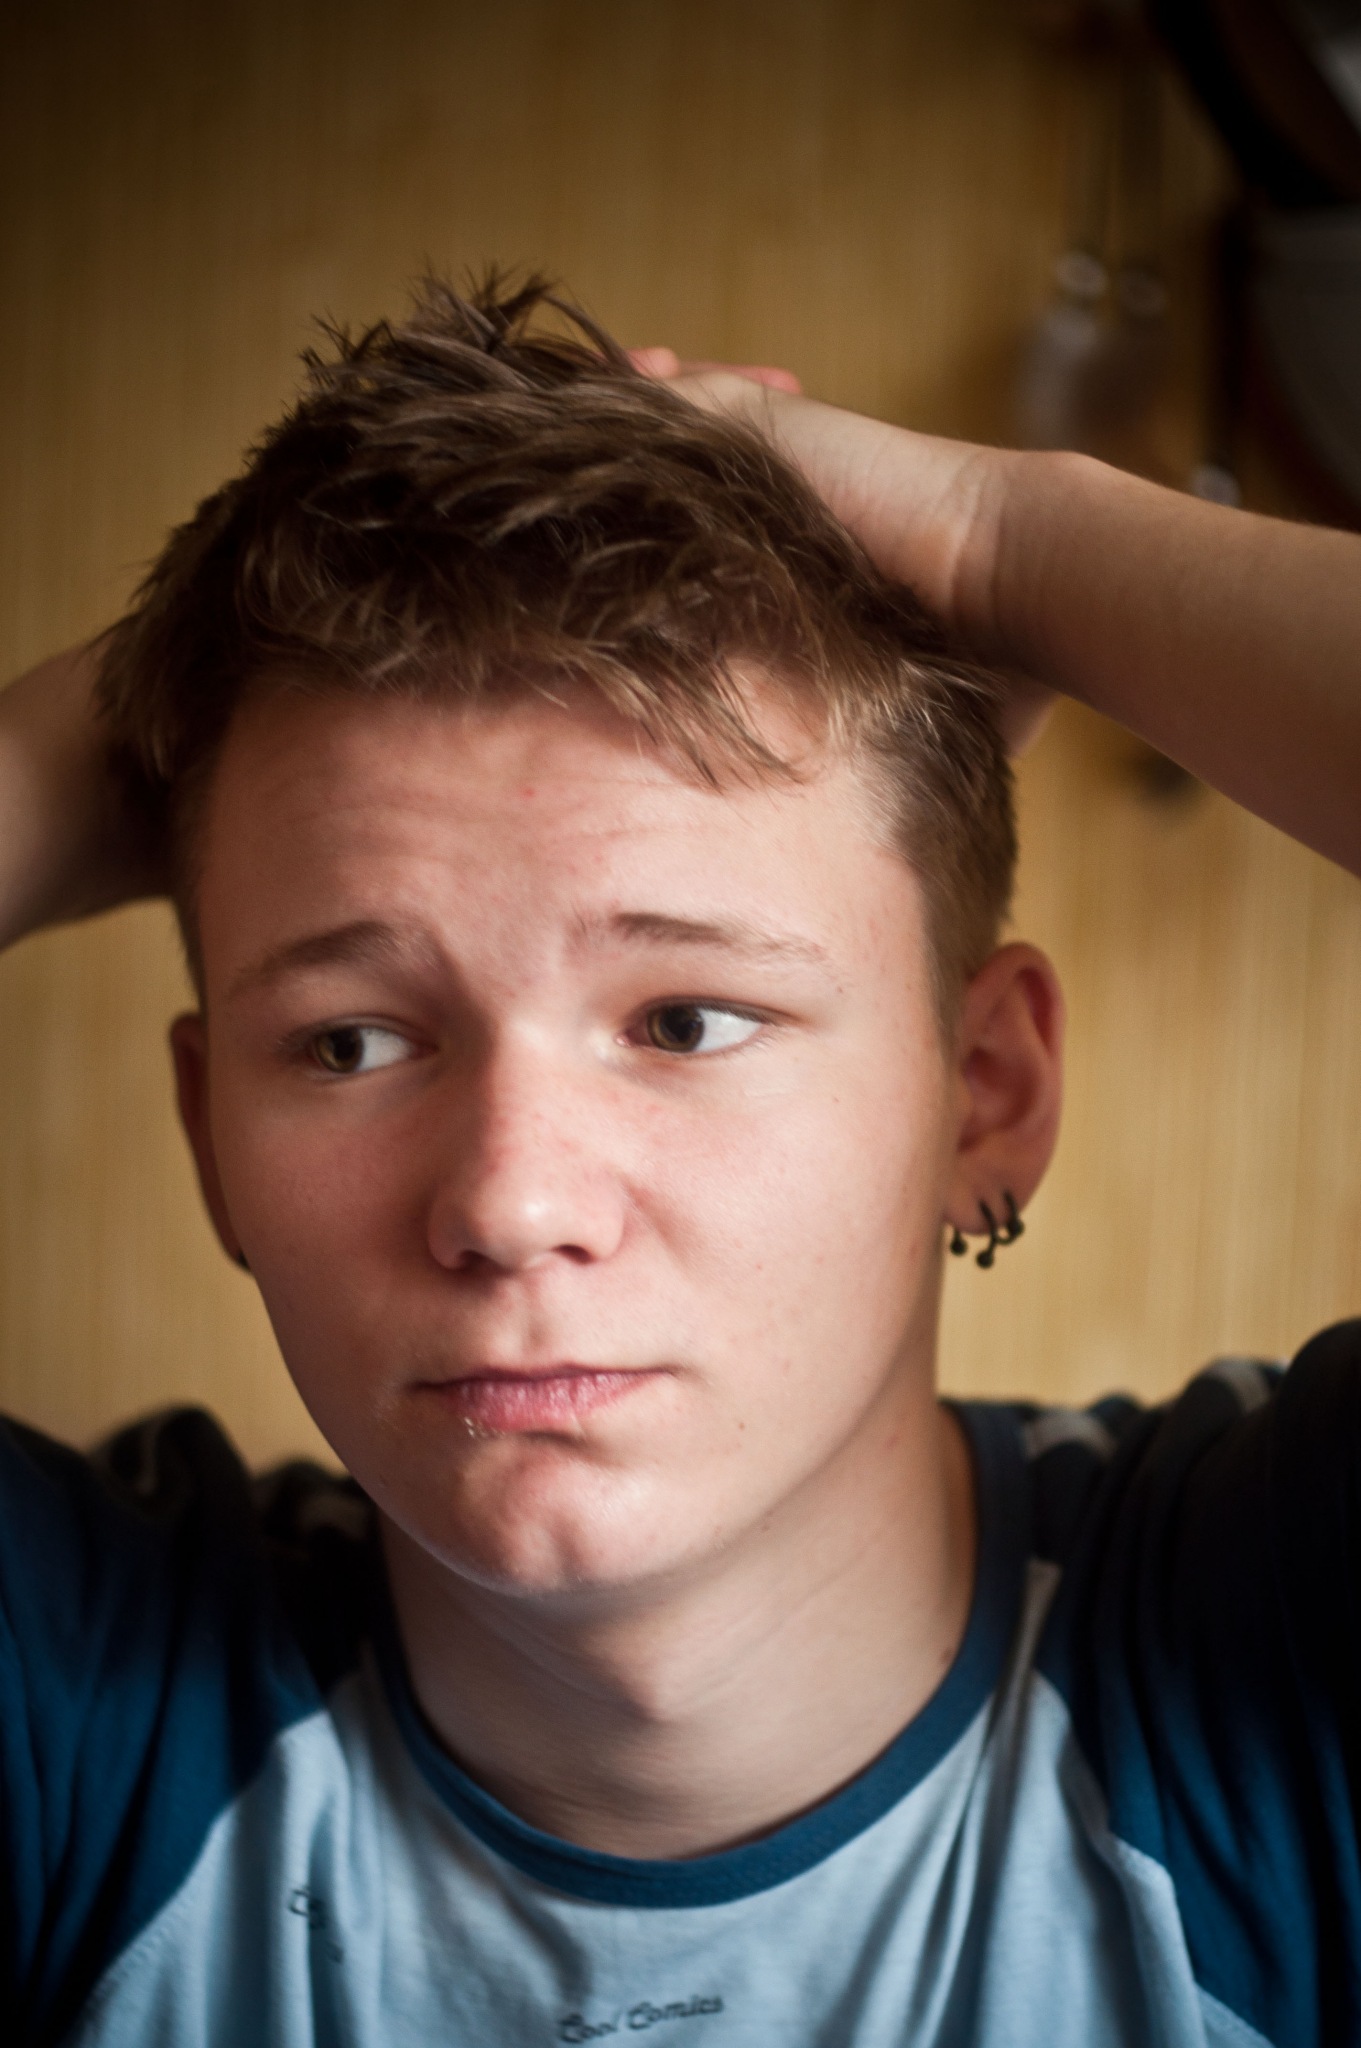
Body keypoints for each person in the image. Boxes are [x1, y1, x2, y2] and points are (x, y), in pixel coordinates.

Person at [0, 277, 1356, 2048]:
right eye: (349, 1042)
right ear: (209, 1139)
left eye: (686, 1020)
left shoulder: (1279, 1647)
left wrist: (1002, 541)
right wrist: (105, 735)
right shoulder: (78, 1712)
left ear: (983, 1093)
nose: (510, 1204)